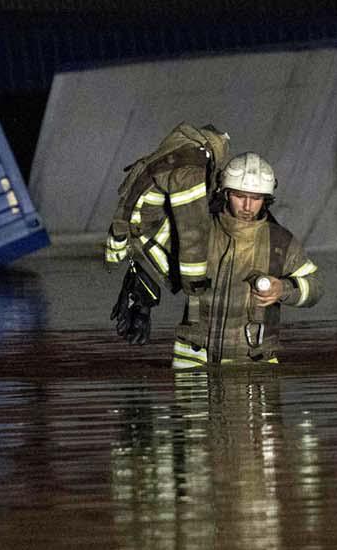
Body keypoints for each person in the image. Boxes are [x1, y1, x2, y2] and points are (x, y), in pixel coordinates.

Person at [172, 152, 322, 369]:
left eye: (256, 198)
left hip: (253, 363)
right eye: (240, 196)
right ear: (225, 194)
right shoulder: (200, 232)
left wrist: (283, 289)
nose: (247, 206)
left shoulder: (280, 242)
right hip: (193, 363)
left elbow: (316, 286)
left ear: (266, 200)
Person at [105, 122, 232, 345]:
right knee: (209, 263)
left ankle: (143, 291)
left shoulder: (177, 152)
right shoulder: (191, 170)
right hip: (150, 237)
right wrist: (197, 294)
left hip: (144, 235)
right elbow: (192, 231)